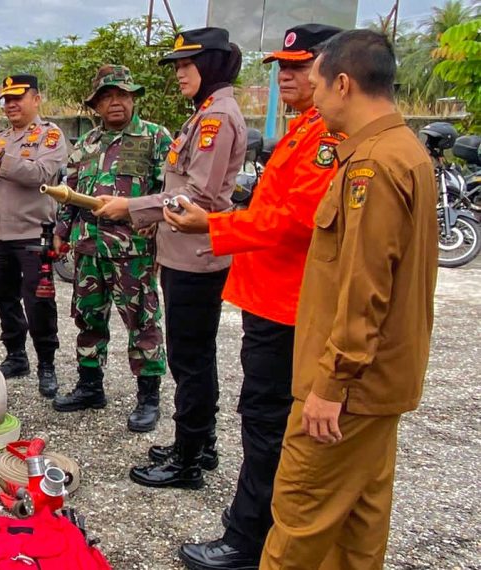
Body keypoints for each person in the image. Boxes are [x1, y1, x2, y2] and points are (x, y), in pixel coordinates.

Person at [161, 24, 343, 569]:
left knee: (266, 421)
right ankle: (255, 524)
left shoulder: (326, 138)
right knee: (262, 416)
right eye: (281, 66)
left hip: (288, 303)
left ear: (334, 72)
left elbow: (294, 220)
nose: (286, 75)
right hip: (269, 297)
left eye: (299, 66)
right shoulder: (302, 129)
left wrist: (216, 225)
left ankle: (248, 538)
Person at [259, 30, 437, 569]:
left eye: (315, 85)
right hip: (378, 385)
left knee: (299, 520)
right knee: (358, 527)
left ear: (343, 83)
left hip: (347, 390)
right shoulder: (404, 150)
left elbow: (365, 288)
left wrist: (331, 383)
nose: (312, 98)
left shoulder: (371, 166)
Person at [96, 27, 245, 489]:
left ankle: (188, 460)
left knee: (190, 360)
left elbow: (197, 195)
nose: (179, 74)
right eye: (177, 66)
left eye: (186, 65)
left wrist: (131, 207)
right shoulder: (205, 113)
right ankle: (200, 442)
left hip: (196, 257)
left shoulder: (217, 118)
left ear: (211, 65)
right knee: (193, 358)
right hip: (183, 253)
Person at [51, 64, 170, 434]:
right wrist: (62, 231)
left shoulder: (155, 138)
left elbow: (169, 190)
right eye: (106, 97)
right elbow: (70, 193)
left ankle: (148, 397)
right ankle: (90, 386)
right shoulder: (86, 144)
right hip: (89, 247)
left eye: (121, 94)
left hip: (133, 250)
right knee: (88, 319)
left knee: (143, 323)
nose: (115, 102)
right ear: (96, 105)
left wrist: (157, 223)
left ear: (132, 98)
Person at [0, 74, 69, 398]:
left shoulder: (49, 136)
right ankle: (16, 355)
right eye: (7, 100)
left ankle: (46, 364)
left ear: (36, 99)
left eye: (18, 98)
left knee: (39, 302)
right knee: (0, 295)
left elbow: (41, 174)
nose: (11, 105)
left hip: (34, 232)